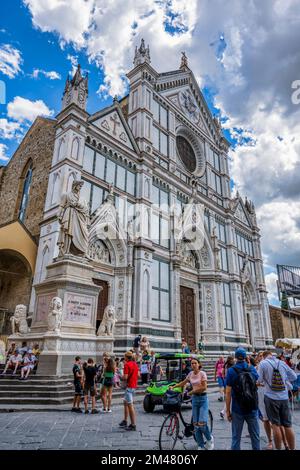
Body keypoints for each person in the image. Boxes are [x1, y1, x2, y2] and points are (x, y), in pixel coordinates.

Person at [171, 358, 214, 450]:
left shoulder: (202, 374)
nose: (193, 365)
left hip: (203, 399)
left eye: (195, 363)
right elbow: (183, 382)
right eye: (192, 363)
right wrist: (174, 386)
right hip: (195, 399)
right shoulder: (190, 374)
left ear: (199, 364)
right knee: (195, 425)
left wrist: (191, 392)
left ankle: (210, 439)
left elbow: (204, 387)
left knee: (202, 423)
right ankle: (200, 445)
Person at [258, 350, 297, 450]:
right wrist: (284, 380)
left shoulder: (263, 363)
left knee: (275, 425)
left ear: (264, 356)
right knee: (288, 425)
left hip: (270, 398)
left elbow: (259, 380)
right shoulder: (282, 363)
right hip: (284, 397)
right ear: (272, 355)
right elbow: (294, 376)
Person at [225, 347, 260, 450]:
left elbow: (228, 392)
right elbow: (257, 382)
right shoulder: (252, 369)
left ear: (235, 357)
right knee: (255, 437)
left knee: (236, 437)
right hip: (252, 408)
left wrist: (228, 410)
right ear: (246, 357)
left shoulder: (231, 371)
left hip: (237, 409)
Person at [256, 350, 273, 449]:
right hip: (261, 395)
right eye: (260, 356)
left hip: (272, 395)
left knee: (274, 420)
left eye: (263, 356)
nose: (262, 357)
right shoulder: (256, 369)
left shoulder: (271, 367)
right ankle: (270, 441)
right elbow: (256, 381)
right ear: (258, 358)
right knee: (265, 419)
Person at [119, 351, 139, 431]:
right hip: (134, 385)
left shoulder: (127, 365)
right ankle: (125, 420)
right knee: (125, 402)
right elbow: (138, 375)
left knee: (130, 405)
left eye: (125, 357)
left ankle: (133, 424)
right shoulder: (135, 364)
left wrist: (120, 376)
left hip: (129, 386)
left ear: (126, 358)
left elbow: (125, 377)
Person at [220, 355, 235, 420]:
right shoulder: (232, 366)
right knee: (230, 396)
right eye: (232, 359)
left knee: (228, 396)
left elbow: (222, 373)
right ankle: (224, 411)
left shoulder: (225, 365)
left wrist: (224, 378)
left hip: (226, 381)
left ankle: (223, 411)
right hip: (231, 382)